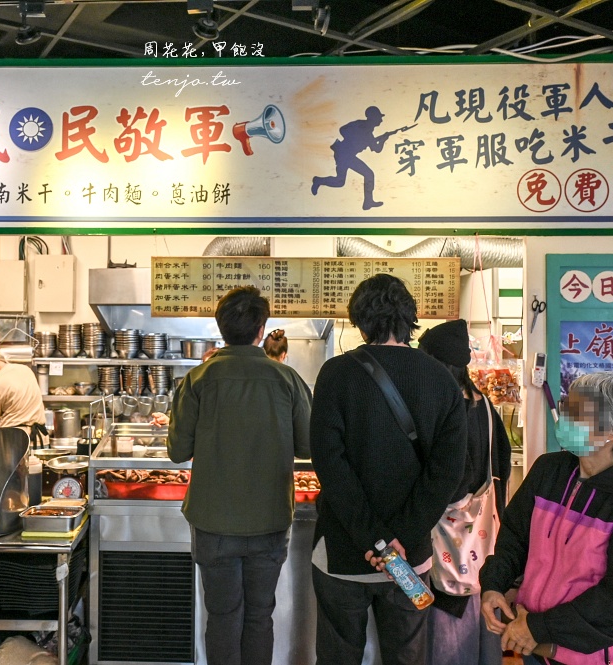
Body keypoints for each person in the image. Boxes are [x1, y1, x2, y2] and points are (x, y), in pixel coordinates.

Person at [309, 273, 467, 665]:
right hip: (408, 559)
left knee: (338, 655)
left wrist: (373, 540)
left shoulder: (335, 374)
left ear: (359, 321)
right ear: (409, 318)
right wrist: (398, 541)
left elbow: (330, 464)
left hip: (345, 555)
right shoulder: (441, 381)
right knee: (407, 656)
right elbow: (447, 472)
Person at [479, 371, 613, 664]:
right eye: (567, 407)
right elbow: (515, 535)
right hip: (533, 644)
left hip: (594, 657)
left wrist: (539, 627)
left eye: (578, 413)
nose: (565, 418)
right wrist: (493, 584)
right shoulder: (549, 470)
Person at [168, 286, 311, 665]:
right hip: (269, 521)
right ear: (261, 329)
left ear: (220, 327)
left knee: (222, 617)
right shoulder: (288, 379)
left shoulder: (198, 379)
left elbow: (177, 450)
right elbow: (309, 447)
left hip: (213, 524)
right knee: (259, 616)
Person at [416, 319, 512, 665]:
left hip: (444, 542)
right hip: (481, 541)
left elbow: (453, 479)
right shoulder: (484, 404)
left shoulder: (443, 408)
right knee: (481, 630)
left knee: (446, 635)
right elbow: (498, 468)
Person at [310, 106, 403, 210]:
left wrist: (383, 139)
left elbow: (376, 149)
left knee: (341, 181)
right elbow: (342, 130)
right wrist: (355, 138)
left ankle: (319, 180)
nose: (381, 120)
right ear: (373, 117)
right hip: (343, 153)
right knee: (366, 174)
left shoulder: (369, 134)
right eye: (379, 117)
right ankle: (368, 201)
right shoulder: (360, 125)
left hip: (348, 156)